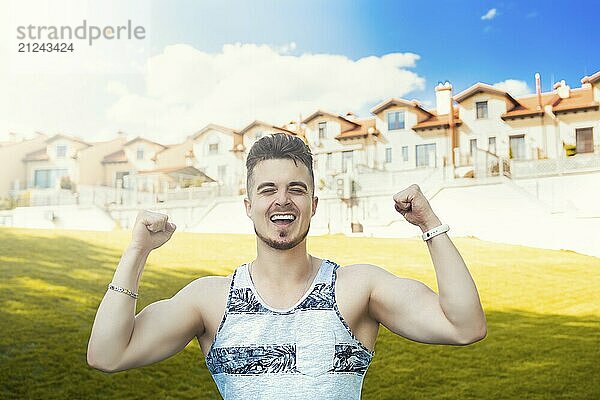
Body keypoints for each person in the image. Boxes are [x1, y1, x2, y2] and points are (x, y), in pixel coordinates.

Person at [87, 133, 487, 399]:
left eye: (296, 189)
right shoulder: (211, 300)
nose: (283, 200)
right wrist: (137, 250)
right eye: (268, 190)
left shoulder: (357, 288)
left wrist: (429, 224)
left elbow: (464, 326)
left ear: (313, 205)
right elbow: (108, 354)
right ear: (249, 207)